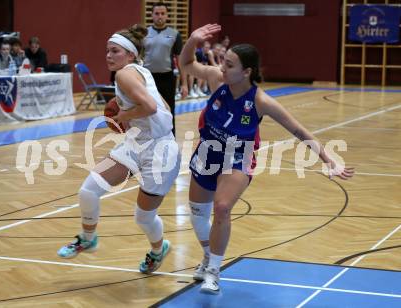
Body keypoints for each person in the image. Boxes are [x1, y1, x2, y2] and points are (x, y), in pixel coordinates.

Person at [179, 24, 355, 294]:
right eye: (223, 63)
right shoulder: (216, 79)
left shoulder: (261, 101)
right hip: (207, 150)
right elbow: (187, 63)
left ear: (247, 72)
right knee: (197, 212)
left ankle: (214, 270)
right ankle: (207, 255)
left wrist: (327, 158)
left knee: (222, 207)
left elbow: (298, 130)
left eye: (229, 65)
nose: (222, 68)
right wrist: (192, 40)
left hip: (238, 156)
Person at [57, 24, 181, 274]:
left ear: (131, 54)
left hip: (160, 150)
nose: (108, 55)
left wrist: (124, 115)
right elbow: (165, 106)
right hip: (137, 142)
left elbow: (151, 107)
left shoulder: (126, 74)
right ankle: (87, 237)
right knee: (88, 190)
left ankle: (158, 250)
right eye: (107, 51)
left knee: (143, 217)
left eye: (115, 51)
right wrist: (132, 118)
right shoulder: (140, 72)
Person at [143, 2, 187, 137]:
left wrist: (184, 84)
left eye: (163, 13)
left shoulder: (174, 34)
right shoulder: (144, 33)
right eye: (157, 13)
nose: (160, 16)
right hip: (148, 79)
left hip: (167, 78)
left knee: (168, 111)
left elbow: (181, 62)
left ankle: (170, 138)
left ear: (167, 15)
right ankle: (148, 138)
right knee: (147, 110)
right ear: (152, 15)